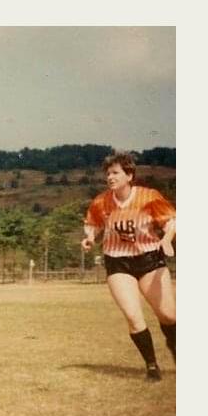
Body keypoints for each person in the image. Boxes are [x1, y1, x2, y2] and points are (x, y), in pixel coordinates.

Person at [81, 151, 176, 381]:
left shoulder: (149, 197)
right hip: (118, 261)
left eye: (115, 173)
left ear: (129, 175)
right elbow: (92, 224)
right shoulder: (101, 201)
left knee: (169, 316)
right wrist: (90, 238)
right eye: (108, 174)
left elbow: (172, 221)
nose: (110, 177)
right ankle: (152, 367)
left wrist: (165, 239)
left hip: (150, 259)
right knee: (133, 317)